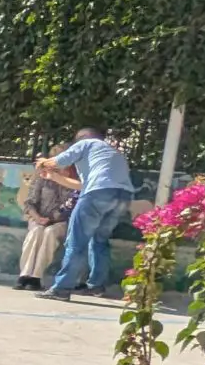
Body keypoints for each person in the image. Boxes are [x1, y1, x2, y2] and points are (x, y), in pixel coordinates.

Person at [36, 126, 136, 300]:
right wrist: (54, 177)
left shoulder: (86, 144)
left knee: (76, 242)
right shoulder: (113, 154)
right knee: (99, 240)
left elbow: (58, 161)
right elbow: (83, 185)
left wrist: (43, 162)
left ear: (80, 139)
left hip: (97, 194)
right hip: (123, 196)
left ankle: (61, 288)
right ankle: (96, 286)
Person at [15, 162, 76, 292]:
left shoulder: (73, 184)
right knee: (36, 232)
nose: (58, 171)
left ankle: (36, 277)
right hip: (38, 219)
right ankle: (24, 275)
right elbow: (29, 203)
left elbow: (70, 208)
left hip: (60, 222)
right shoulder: (41, 181)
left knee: (50, 233)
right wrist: (37, 218)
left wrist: (52, 218)